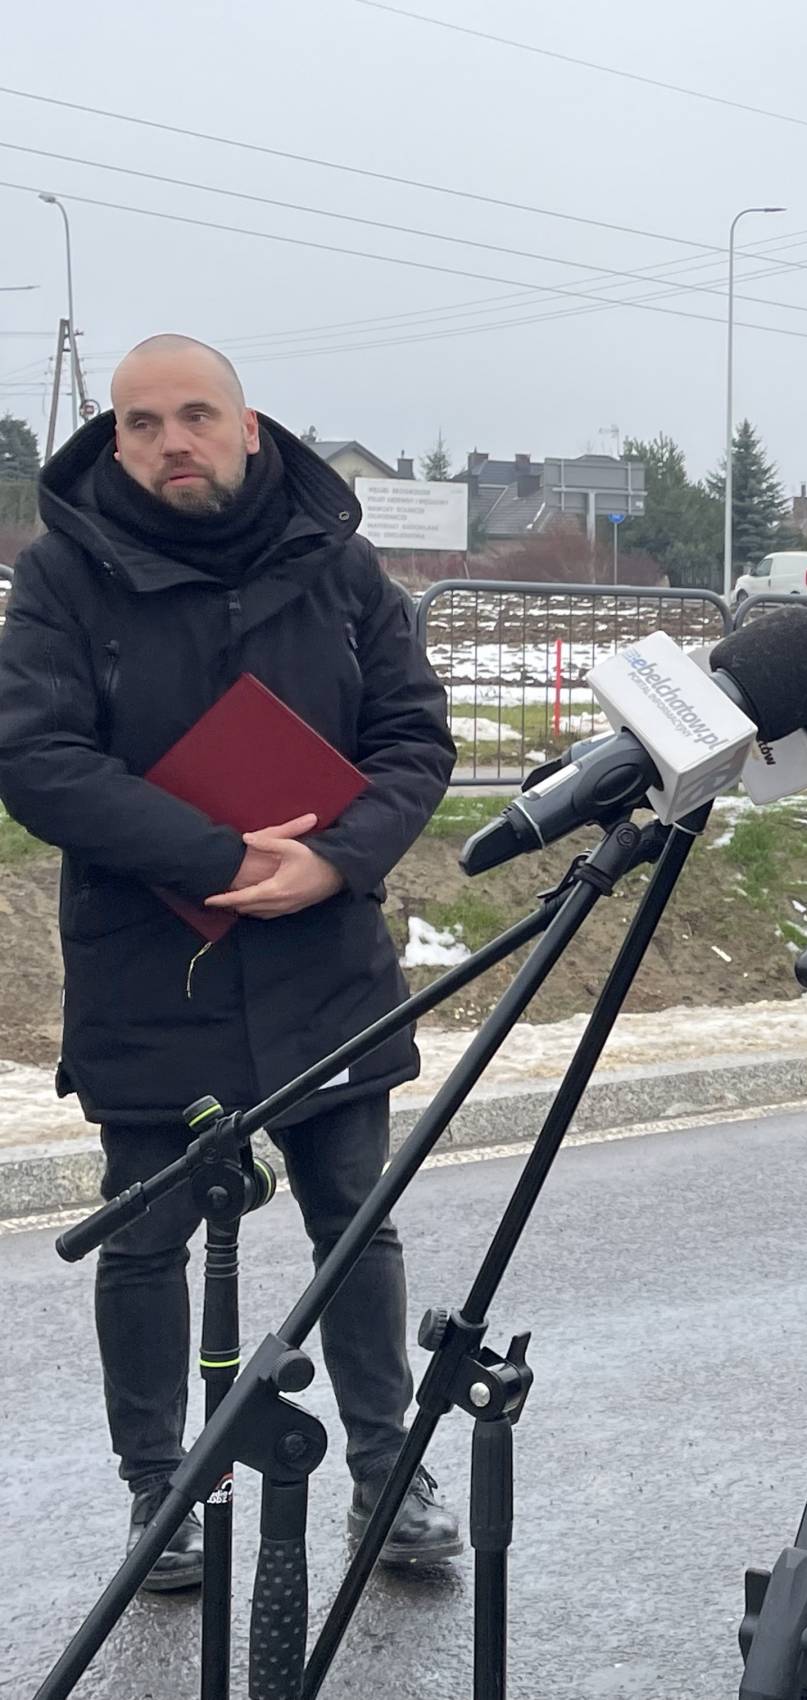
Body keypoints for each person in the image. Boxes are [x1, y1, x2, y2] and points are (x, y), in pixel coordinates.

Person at [0, 336, 462, 1590]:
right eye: (142, 423)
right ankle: (160, 1487)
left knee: (354, 1221)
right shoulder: (62, 573)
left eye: (196, 415)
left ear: (249, 427)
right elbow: (36, 758)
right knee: (146, 1235)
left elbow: (414, 735)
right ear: (115, 438)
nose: (173, 442)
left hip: (324, 952)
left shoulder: (338, 561)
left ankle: (388, 1468)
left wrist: (337, 859)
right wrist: (216, 853)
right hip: (154, 964)